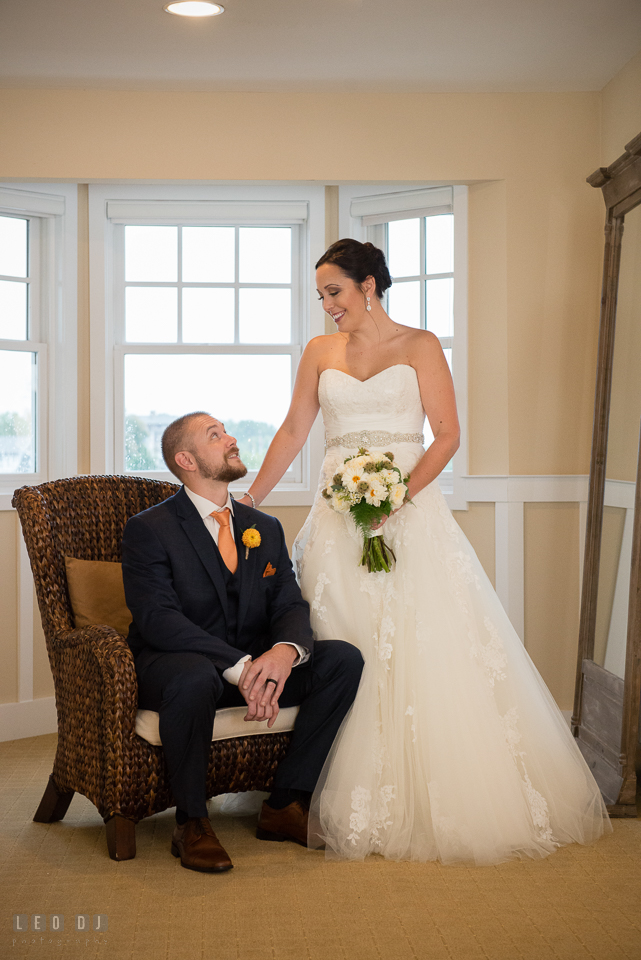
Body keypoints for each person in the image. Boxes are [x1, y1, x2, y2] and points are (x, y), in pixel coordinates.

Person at [234, 238, 611, 864]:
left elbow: (448, 434)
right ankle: (309, 784)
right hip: (335, 519)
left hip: (406, 514)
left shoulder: (420, 345)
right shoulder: (319, 352)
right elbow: (296, 428)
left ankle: (409, 792)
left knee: (417, 644)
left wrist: (396, 497)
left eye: (335, 292)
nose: (327, 306)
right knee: (338, 636)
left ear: (368, 287)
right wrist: (252, 496)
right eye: (321, 295)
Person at [121, 411, 364, 873]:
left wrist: (283, 653)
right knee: (193, 678)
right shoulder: (149, 529)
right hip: (178, 668)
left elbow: (289, 606)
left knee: (342, 661)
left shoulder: (263, 527)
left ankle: (286, 802)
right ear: (186, 459)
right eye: (216, 435)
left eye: (226, 430)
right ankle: (191, 822)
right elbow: (158, 620)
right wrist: (239, 664)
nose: (231, 438)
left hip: (253, 670)